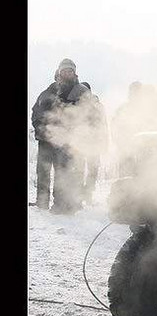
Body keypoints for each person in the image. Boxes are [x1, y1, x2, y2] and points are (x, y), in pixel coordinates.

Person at [30, 58, 93, 214]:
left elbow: (89, 115)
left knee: (63, 171)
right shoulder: (49, 90)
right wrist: (41, 127)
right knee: (43, 171)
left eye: (69, 70)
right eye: (64, 70)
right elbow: (36, 111)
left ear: (74, 72)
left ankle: (61, 204)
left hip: (68, 141)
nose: (66, 73)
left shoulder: (81, 91)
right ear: (58, 72)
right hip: (46, 139)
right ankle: (42, 201)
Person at [78, 82, 109, 206]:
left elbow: (104, 125)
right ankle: (79, 194)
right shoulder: (77, 105)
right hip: (80, 143)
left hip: (94, 143)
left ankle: (88, 194)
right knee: (79, 170)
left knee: (92, 171)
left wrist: (104, 143)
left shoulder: (98, 106)